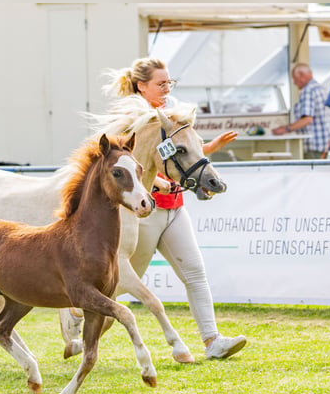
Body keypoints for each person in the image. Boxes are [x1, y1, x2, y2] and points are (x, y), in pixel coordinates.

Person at [64, 57, 247, 362]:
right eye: (161, 84)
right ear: (141, 86)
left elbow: (182, 155)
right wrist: (156, 182)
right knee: (120, 284)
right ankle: (75, 316)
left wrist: (208, 151)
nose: (167, 89)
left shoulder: (171, 116)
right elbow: (121, 164)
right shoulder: (129, 120)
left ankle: (212, 341)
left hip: (174, 206)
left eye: (169, 83)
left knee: (195, 271)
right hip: (142, 213)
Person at [272, 63, 330, 159]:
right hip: (325, 143)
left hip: (313, 145)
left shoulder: (308, 91)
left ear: (301, 75)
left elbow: (307, 119)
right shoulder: (321, 89)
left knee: (311, 173)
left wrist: (286, 129)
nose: (294, 83)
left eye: (294, 78)